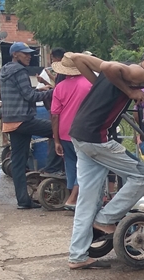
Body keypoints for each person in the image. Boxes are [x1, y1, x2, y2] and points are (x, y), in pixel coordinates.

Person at [65, 48, 144, 270]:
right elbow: (108, 67)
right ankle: (105, 219)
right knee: (143, 176)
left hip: (79, 134)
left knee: (88, 198)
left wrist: (102, 84)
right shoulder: (138, 73)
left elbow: (77, 58)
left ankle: (78, 255)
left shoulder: (122, 72)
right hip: (97, 138)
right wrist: (129, 92)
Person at [0, 42, 56, 209]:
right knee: (57, 130)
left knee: (18, 162)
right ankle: (52, 169)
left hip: (11, 121)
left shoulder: (5, 70)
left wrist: (39, 90)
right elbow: (30, 97)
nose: (29, 56)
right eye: (25, 53)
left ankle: (23, 201)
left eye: (30, 53)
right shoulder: (20, 70)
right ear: (15, 54)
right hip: (23, 120)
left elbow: (23, 93)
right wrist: (54, 92)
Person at [50, 55, 92, 211]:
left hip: (64, 132)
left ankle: (71, 196)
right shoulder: (89, 84)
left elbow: (55, 115)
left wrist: (56, 140)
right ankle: (73, 199)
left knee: (71, 164)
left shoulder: (59, 87)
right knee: (85, 166)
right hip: (83, 131)